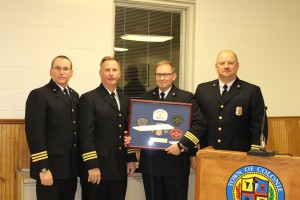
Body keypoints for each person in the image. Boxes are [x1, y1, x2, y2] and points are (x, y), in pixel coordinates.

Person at [139, 60, 207, 200]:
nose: (162, 78)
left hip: (176, 163)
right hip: (151, 165)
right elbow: (140, 126)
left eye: (166, 74)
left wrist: (181, 145)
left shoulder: (186, 98)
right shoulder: (145, 98)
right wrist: (133, 138)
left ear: (174, 76)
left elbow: (200, 124)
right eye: (159, 75)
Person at [78, 56, 136, 200]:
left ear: (119, 73)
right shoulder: (89, 98)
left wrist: (130, 159)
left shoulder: (125, 99)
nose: (111, 73)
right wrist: (92, 165)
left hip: (120, 168)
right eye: (107, 70)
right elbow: (86, 135)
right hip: (98, 169)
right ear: (100, 73)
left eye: (114, 70)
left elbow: (128, 131)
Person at [25, 55, 79, 200]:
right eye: (58, 68)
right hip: (51, 170)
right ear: (51, 71)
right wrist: (43, 168)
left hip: (70, 170)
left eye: (66, 69)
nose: (62, 72)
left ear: (71, 73)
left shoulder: (74, 96)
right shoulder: (39, 95)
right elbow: (34, 135)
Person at [194, 50, 268, 152]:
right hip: (208, 151)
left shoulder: (251, 91)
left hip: (239, 154)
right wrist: (193, 151)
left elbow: (259, 126)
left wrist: (255, 152)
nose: (226, 66)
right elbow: (195, 122)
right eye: (222, 63)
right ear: (216, 66)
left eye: (230, 63)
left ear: (237, 66)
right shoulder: (203, 89)